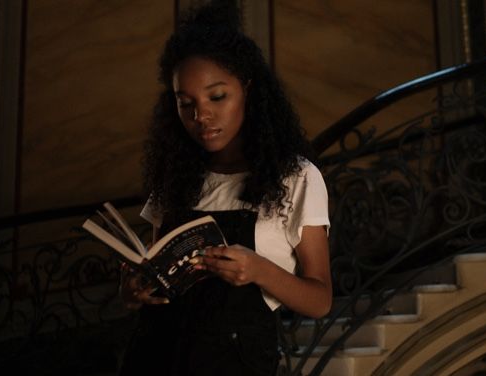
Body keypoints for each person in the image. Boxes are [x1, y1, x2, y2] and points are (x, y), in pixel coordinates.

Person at [118, 1, 332, 375]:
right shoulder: (175, 177)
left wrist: (259, 271)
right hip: (153, 359)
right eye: (186, 104)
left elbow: (320, 300)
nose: (201, 116)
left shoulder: (296, 177)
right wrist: (133, 292)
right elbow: (157, 277)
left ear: (247, 89)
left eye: (217, 97)